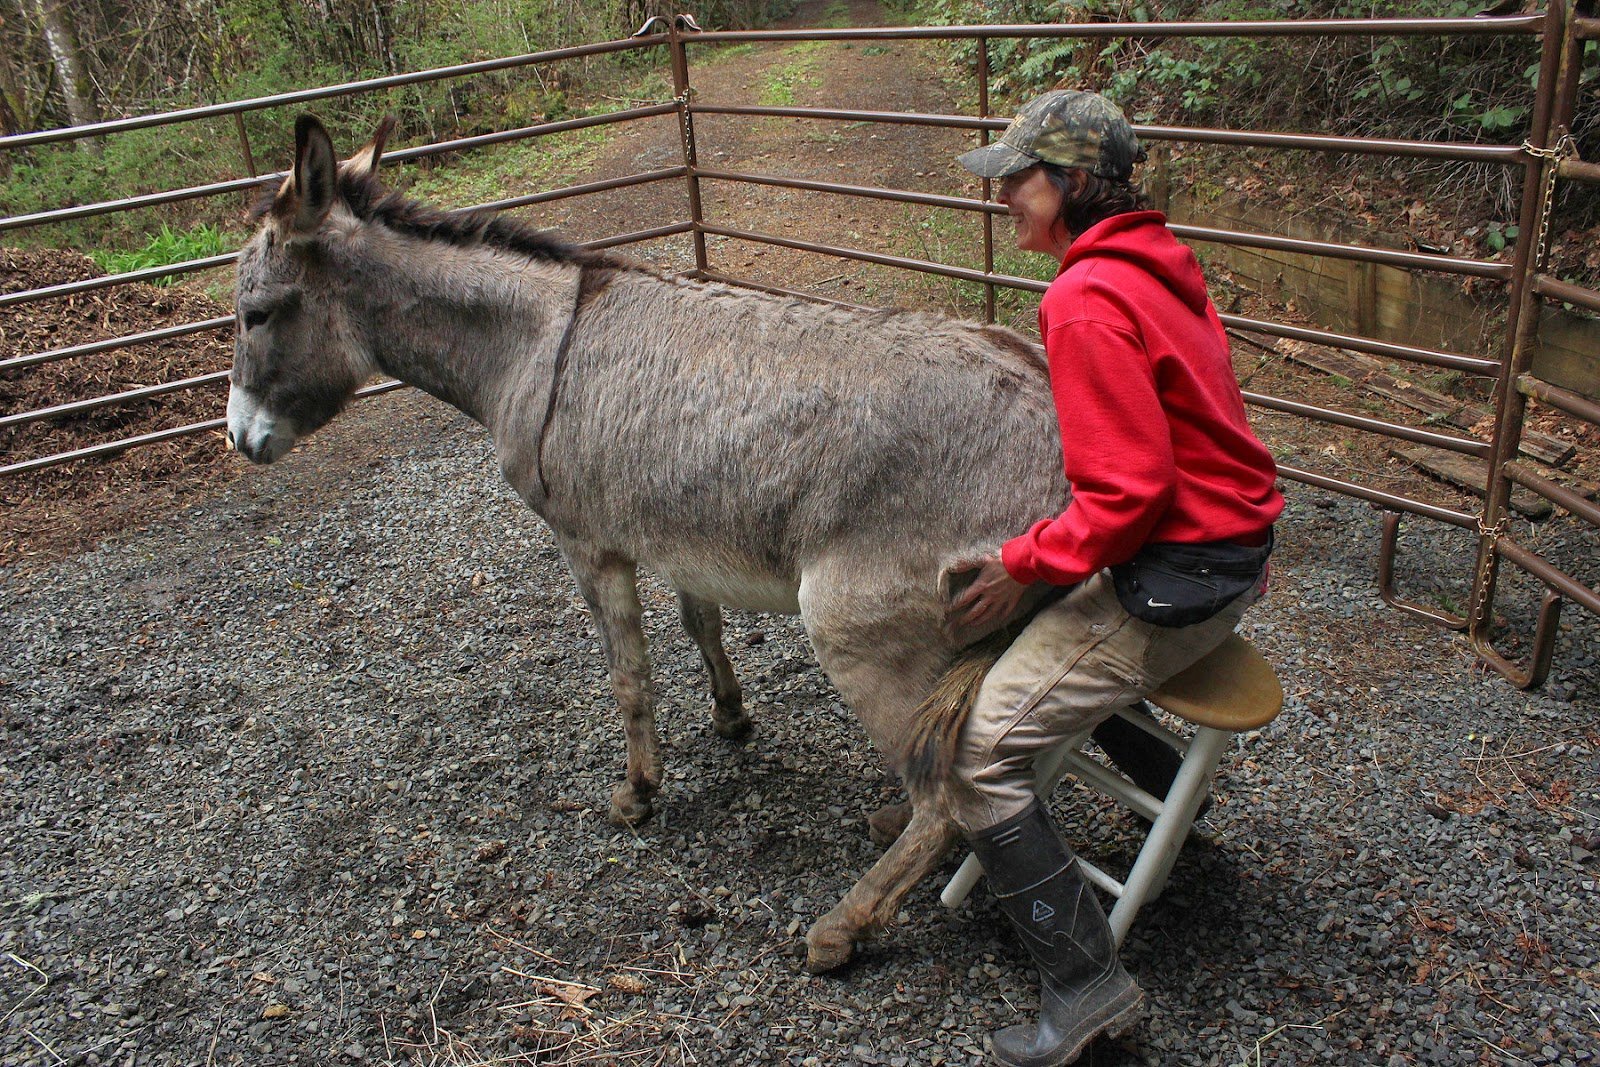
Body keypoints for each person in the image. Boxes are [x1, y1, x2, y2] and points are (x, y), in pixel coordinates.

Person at [945, 90, 1285, 1066]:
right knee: (1053, 616)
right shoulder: (1155, 262)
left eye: (1019, 178)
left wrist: (1022, 561)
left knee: (980, 749)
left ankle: (1086, 985)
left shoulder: (1086, 298)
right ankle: (1170, 790)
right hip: (1232, 553)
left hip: (1178, 576)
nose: (1002, 194)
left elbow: (1128, 494)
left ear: (1073, 183)